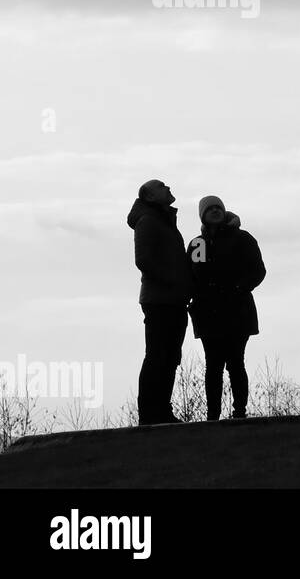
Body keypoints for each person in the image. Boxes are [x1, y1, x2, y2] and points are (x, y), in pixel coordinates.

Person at [188, 195, 266, 421]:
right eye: (209, 209)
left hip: (237, 311)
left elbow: (258, 270)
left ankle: (239, 412)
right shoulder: (198, 244)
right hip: (208, 313)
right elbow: (194, 274)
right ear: (203, 215)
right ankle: (213, 416)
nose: (214, 211)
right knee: (213, 366)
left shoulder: (242, 239)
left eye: (217, 207)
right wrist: (198, 297)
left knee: (235, 362)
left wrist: (239, 287)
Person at [127, 179, 193, 425]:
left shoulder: (163, 221)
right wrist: (171, 283)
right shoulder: (148, 221)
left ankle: (162, 411)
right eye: (161, 186)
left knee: (170, 356)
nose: (168, 187)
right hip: (159, 300)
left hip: (174, 299)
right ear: (150, 197)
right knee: (157, 355)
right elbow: (143, 260)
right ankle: (149, 414)